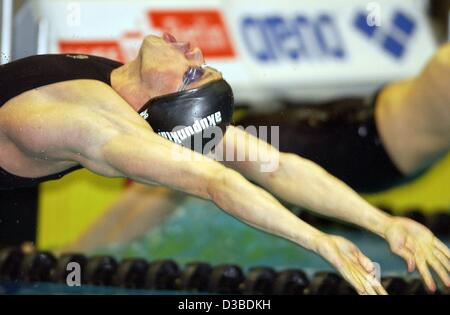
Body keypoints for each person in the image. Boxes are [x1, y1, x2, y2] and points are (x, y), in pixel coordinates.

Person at [1, 33, 449, 295]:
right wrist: (384, 223)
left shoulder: (95, 127)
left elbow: (219, 181)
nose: (194, 51)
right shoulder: (129, 100)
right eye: (201, 66)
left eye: (192, 73)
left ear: (159, 105)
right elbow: (278, 166)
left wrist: (321, 242)